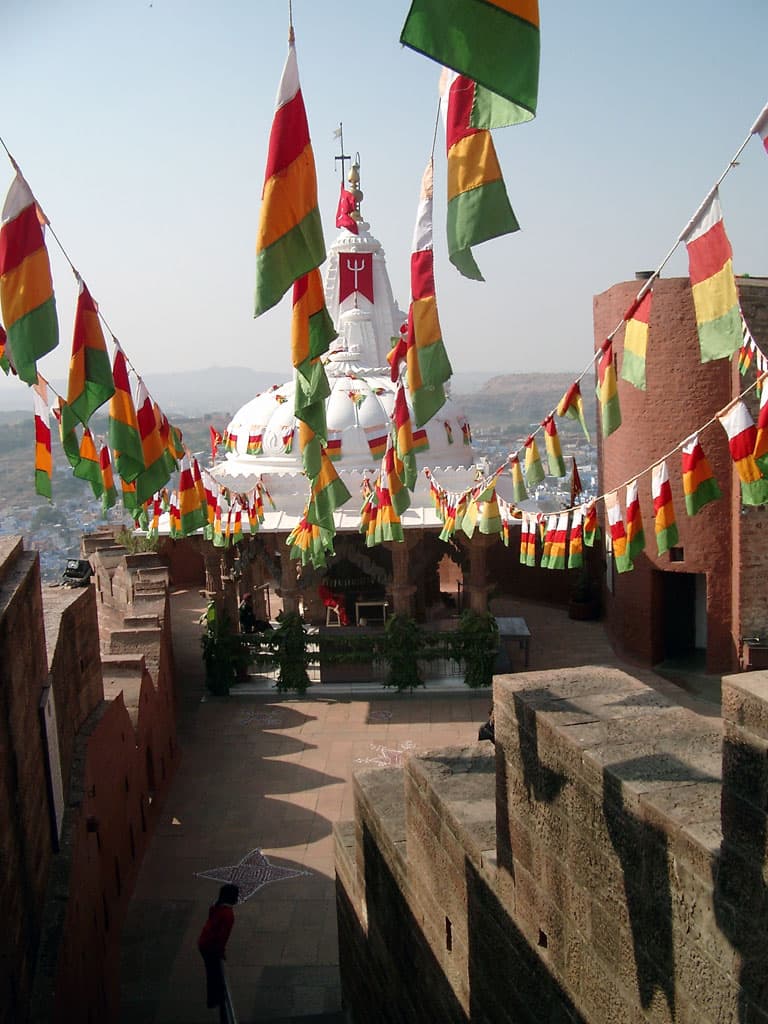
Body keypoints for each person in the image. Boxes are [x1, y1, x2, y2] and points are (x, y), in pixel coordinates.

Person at [198, 883, 239, 1020]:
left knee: (211, 972)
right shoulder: (228, 915)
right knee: (215, 972)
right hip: (210, 947)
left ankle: (213, 998)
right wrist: (221, 952)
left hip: (204, 942)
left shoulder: (216, 906)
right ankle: (217, 998)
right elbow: (222, 937)